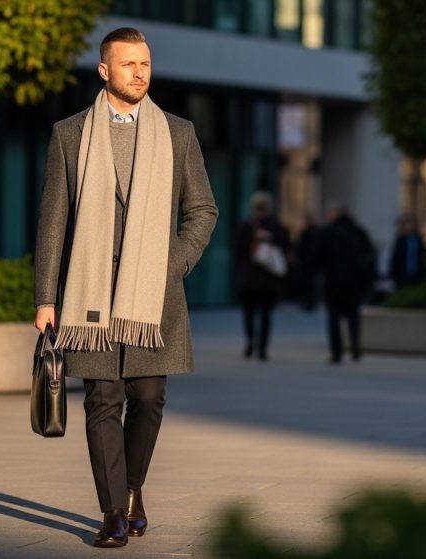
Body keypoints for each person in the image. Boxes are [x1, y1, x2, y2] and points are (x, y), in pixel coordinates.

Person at [32, 28, 217, 548]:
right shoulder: (69, 134)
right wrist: (46, 299)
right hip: (88, 293)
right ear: (104, 71)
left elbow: (202, 209)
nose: (140, 72)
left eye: (146, 63)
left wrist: (173, 262)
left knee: (150, 396)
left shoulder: (177, 133)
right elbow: (52, 223)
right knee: (103, 400)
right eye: (129, 64)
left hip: (152, 295)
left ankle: (132, 489)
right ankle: (113, 511)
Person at [316, 202, 376, 364]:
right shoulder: (358, 232)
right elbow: (369, 257)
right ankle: (355, 344)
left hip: (333, 281)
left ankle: (337, 352)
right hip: (354, 282)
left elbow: (319, 257)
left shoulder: (328, 233)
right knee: (353, 315)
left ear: (334, 215)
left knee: (334, 317)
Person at [233, 191, 289, 361]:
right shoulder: (277, 227)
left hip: (248, 278)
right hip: (268, 279)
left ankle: (250, 341)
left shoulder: (245, 225)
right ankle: (263, 348)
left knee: (248, 312)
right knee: (265, 314)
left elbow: (237, 251)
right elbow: (286, 247)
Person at [390, 213, 426, 289]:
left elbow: (422, 257)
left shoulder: (418, 239)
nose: (408, 226)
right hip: (403, 275)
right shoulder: (400, 240)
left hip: (417, 275)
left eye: (409, 223)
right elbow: (396, 259)